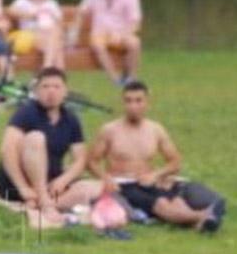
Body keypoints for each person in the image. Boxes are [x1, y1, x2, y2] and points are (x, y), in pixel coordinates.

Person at [89, 80, 219, 231]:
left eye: (138, 101)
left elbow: (175, 161)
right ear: (122, 103)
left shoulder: (155, 130)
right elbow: (92, 161)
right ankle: (202, 217)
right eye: (128, 101)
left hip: (149, 181)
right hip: (124, 185)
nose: (133, 106)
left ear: (147, 103)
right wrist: (106, 178)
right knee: (161, 204)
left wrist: (157, 174)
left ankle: (197, 222)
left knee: (176, 201)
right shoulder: (109, 130)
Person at [0, 67, 102, 221]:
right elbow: (7, 150)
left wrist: (63, 180)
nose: (51, 92)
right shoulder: (26, 112)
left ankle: (45, 203)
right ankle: (45, 203)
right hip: (17, 184)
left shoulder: (71, 119)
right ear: (37, 91)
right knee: (36, 138)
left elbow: (80, 159)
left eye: (56, 87)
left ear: (65, 91)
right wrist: (23, 187)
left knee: (97, 187)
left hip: (51, 183)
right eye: (45, 87)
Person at [77, 0, 143, 84]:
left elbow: (135, 21)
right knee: (97, 45)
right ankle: (114, 78)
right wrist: (82, 15)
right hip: (100, 32)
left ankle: (131, 77)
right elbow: (83, 8)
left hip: (121, 32)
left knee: (135, 43)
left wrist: (123, 34)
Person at [6, 0, 66, 70]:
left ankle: (47, 69)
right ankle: (53, 74)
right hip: (31, 35)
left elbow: (60, 25)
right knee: (56, 45)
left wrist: (53, 17)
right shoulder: (23, 1)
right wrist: (31, 15)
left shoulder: (51, 3)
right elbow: (10, 12)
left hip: (49, 37)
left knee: (54, 38)